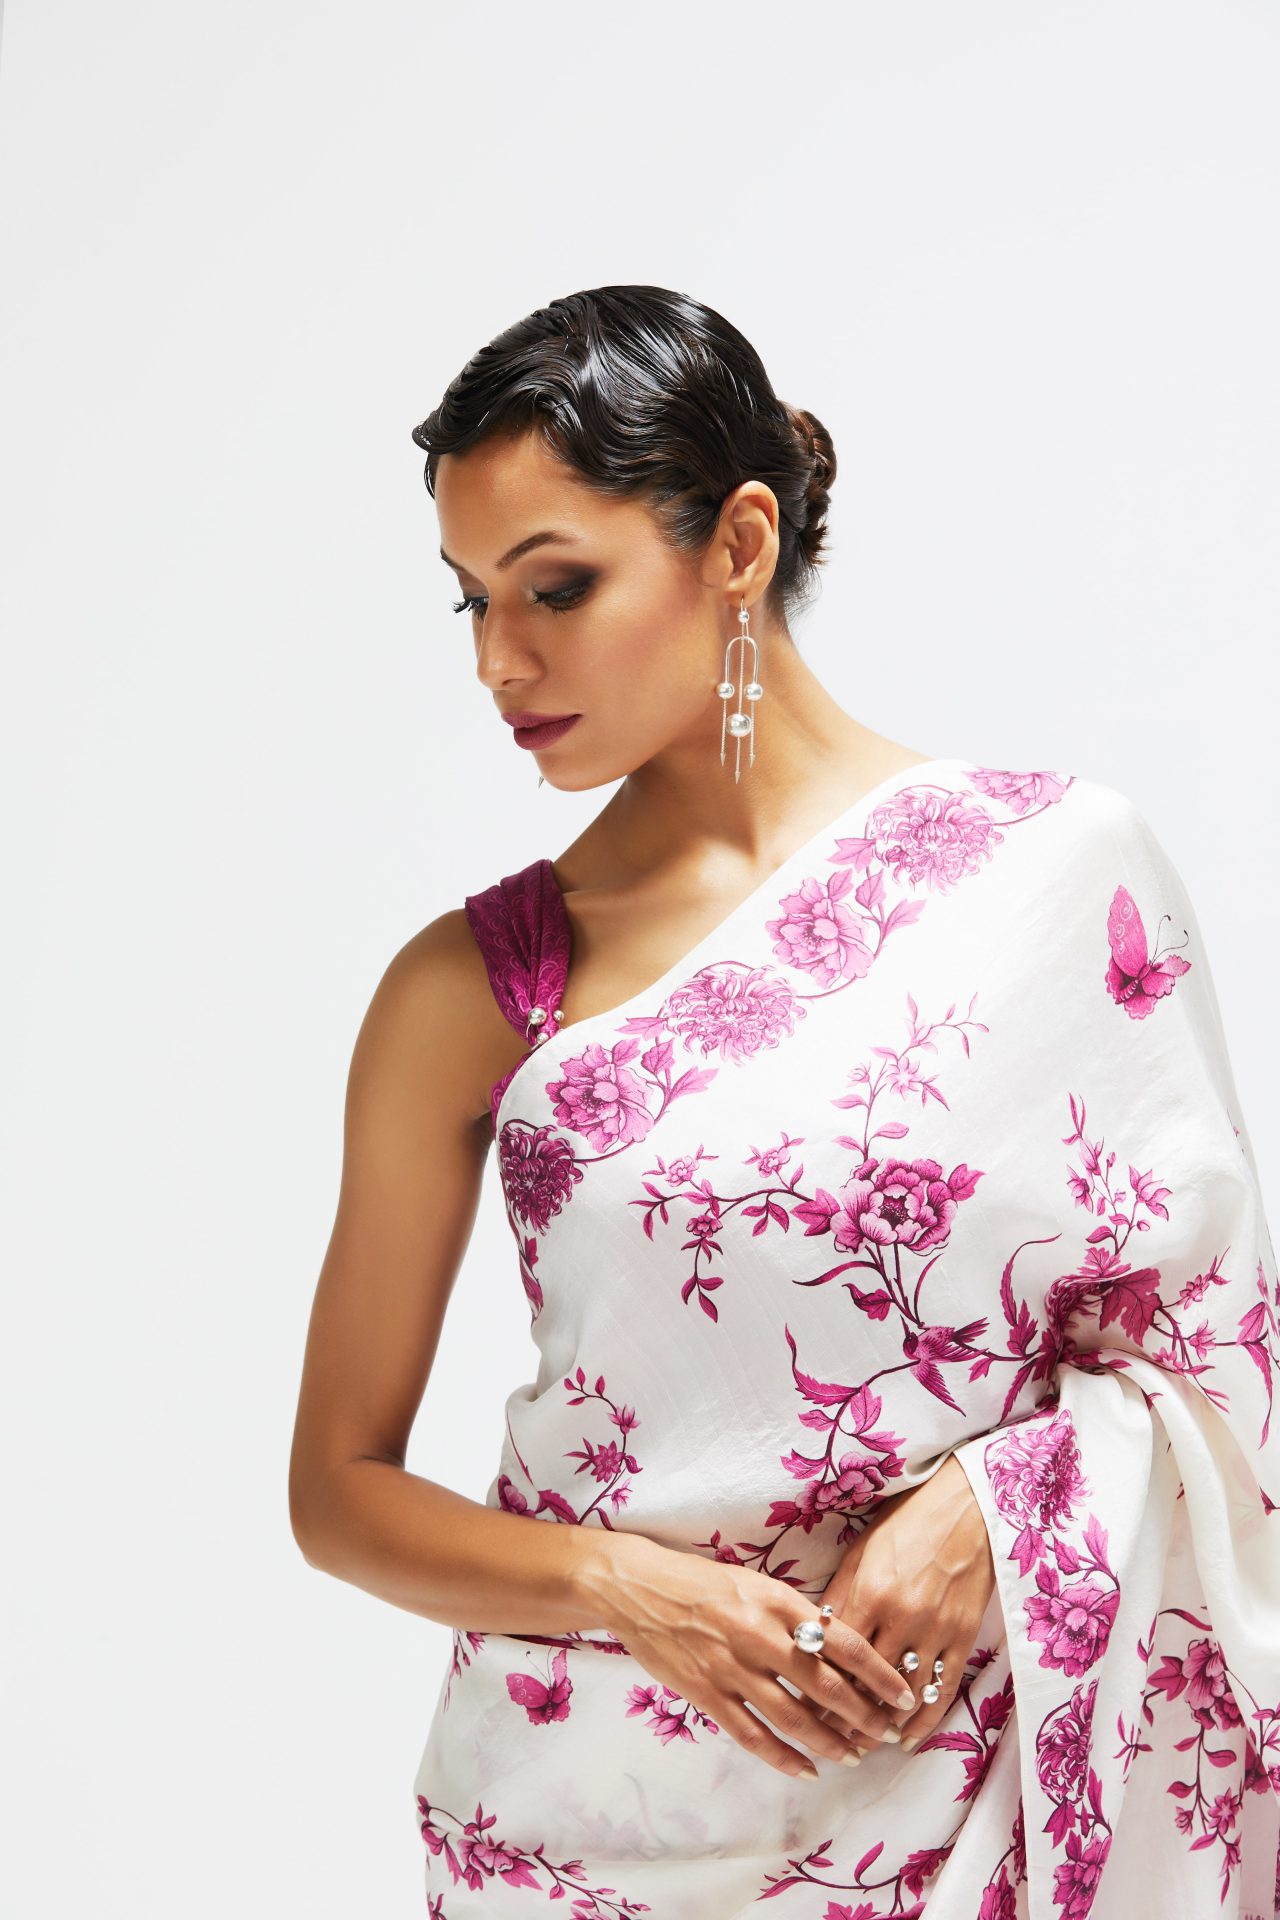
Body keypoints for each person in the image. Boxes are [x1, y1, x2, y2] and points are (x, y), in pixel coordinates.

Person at [288, 286, 1280, 1919]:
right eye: (469, 599)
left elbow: (1220, 1363)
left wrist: (992, 1506)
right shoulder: (469, 990)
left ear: (739, 543)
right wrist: (631, 1588)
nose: (497, 660)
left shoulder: (1050, 877)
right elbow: (340, 1492)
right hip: (578, 1822)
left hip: (978, 1786)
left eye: (555, 586)